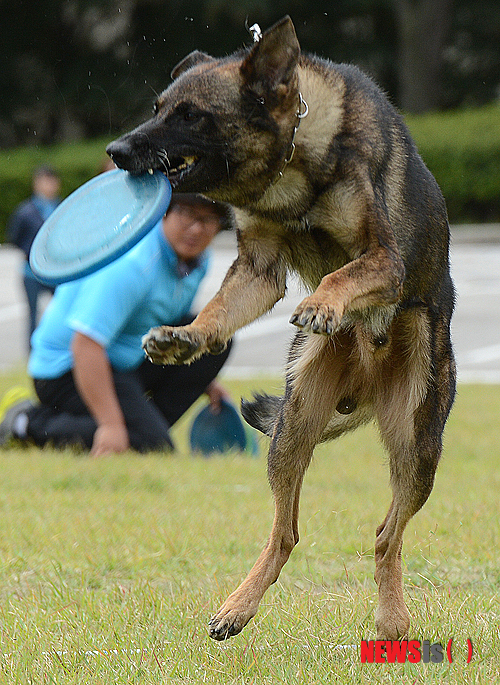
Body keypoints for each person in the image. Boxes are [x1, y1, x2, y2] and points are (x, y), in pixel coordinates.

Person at [0, 194, 233, 456]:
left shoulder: (199, 261)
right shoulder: (134, 263)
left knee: (213, 337)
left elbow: (166, 323)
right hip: (65, 368)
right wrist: (109, 424)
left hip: (123, 361)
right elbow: (85, 344)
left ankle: (145, 429)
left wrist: (201, 380)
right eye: (188, 213)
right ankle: (26, 423)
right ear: (164, 211)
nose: (197, 228)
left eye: (209, 219)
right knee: (150, 443)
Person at [6, 165, 61, 349]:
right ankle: (32, 352)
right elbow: (15, 238)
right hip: (31, 272)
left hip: (56, 272)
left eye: (52, 181)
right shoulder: (25, 211)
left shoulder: (61, 208)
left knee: (62, 310)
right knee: (32, 315)